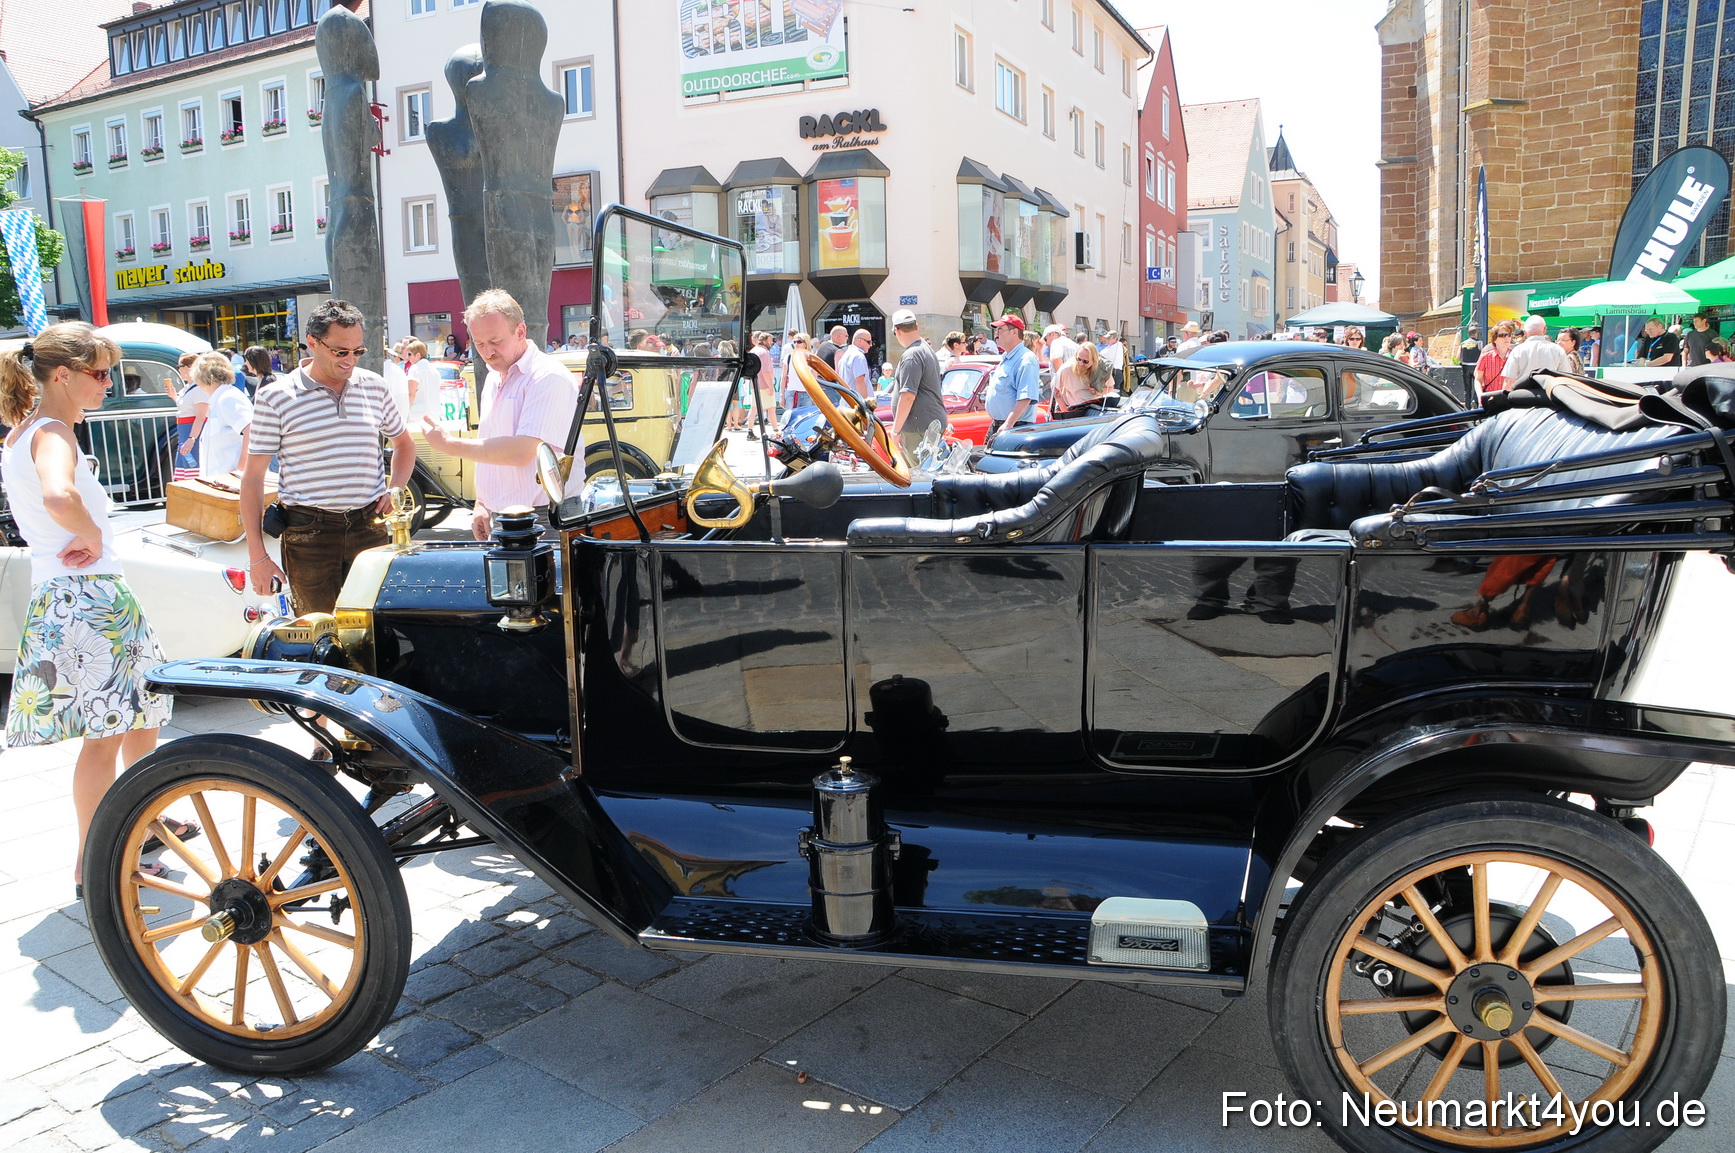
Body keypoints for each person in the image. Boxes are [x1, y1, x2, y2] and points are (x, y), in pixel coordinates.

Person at [1, 322, 180, 894]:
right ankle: (97, 860)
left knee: (141, 715)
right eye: (101, 374)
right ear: (63, 375)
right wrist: (93, 534)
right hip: (87, 597)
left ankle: (136, 829)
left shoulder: (28, 431)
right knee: (108, 735)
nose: (109, 384)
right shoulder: (52, 432)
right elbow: (58, 495)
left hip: (77, 596)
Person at [242, 299, 416, 614]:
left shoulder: (374, 386)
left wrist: (396, 488)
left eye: (358, 351)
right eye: (340, 352)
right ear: (312, 343)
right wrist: (258, 557)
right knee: (318, 628)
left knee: (378, 627)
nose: (350, 360)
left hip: (369, 524)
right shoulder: (275, 396)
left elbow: (404, 444)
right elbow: (252, 478)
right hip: (309, 532)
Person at [421, 290, 579, 539]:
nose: (488, 352)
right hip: (506, 515)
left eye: (495, 341)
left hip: (544, 517)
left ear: (521, 331)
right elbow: (490, 444)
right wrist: (482, 502)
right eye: (479, 343)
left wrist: (449, 445)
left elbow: (522, 452)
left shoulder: (547, 377)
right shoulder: (495, 376)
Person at [888, 310, 945, 457]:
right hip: (928, 425)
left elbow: (908, 396)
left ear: (897, 330)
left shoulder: (912, 355)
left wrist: (895, 431)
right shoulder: (926, 349)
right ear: (917, 326)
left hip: (917, 428)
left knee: (916, 470)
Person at [187, 352, 253, 478]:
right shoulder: (222, 398)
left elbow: (251, 431)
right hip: (222, 480)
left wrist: (241, 469)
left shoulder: (227, 398)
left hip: (232, 482)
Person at [984, 314, 1041, 440]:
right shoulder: (1007, 357)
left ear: (1014, 332)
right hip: (1000, 424)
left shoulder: (1026, 359)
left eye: (1000, 330)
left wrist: (1009, 424)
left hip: (1015, 427)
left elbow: (1025, 397)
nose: (996, 334)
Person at [1501, 315, 1570, 389]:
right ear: (1545, 329)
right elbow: (1566, 378)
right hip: (1549, 393)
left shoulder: (1517, 351)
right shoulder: (1558, 350)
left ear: (1525, 332)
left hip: (1524, 394)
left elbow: (1509, 381)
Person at [1051, 339, 1113, 420]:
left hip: (1093, 411)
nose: (1080, 364)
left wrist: (1097, 391)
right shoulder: (1067, 368)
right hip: (1072, 410)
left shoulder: (1102, 369)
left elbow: (1110, 388)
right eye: (1078, 359)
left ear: (1094, 360)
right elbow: (1054, 388)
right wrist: (1064, 410)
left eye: (1085, 361)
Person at [171, 351, 204, 479]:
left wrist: (192, 438)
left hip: (192, 432)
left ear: (186, 368)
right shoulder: (188, 388)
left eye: (179, 366)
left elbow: (201, 416)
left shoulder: (199, 388)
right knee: (184, 469)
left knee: (192, 468)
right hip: (185, 433)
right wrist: (174, 396)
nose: (178, 370)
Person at [403, 339, 442, 429]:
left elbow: (411, 394)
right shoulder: (434, 370)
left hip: (417, 415)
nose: (408, 357)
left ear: (418, 355)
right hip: (434, 413)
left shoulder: (414, 369)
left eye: (410, 354)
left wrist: (404, 412)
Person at [1473, 321, 1517, 399]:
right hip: (1490, 399)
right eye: (1502, 335)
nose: (1507, 338)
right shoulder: (1485, 357)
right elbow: (1478, 379)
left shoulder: (1516, 356)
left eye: (1509, 335)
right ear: (1495, 339)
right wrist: (1480, 396)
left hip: (1510, 399)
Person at [834, 328, 873, 399]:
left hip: (847, 401)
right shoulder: (858, 356)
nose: (870, 345)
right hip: (856, 402)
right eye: (869, 342)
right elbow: (859, 381)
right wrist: (866, 401)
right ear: (860, 341)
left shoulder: (845, 355)